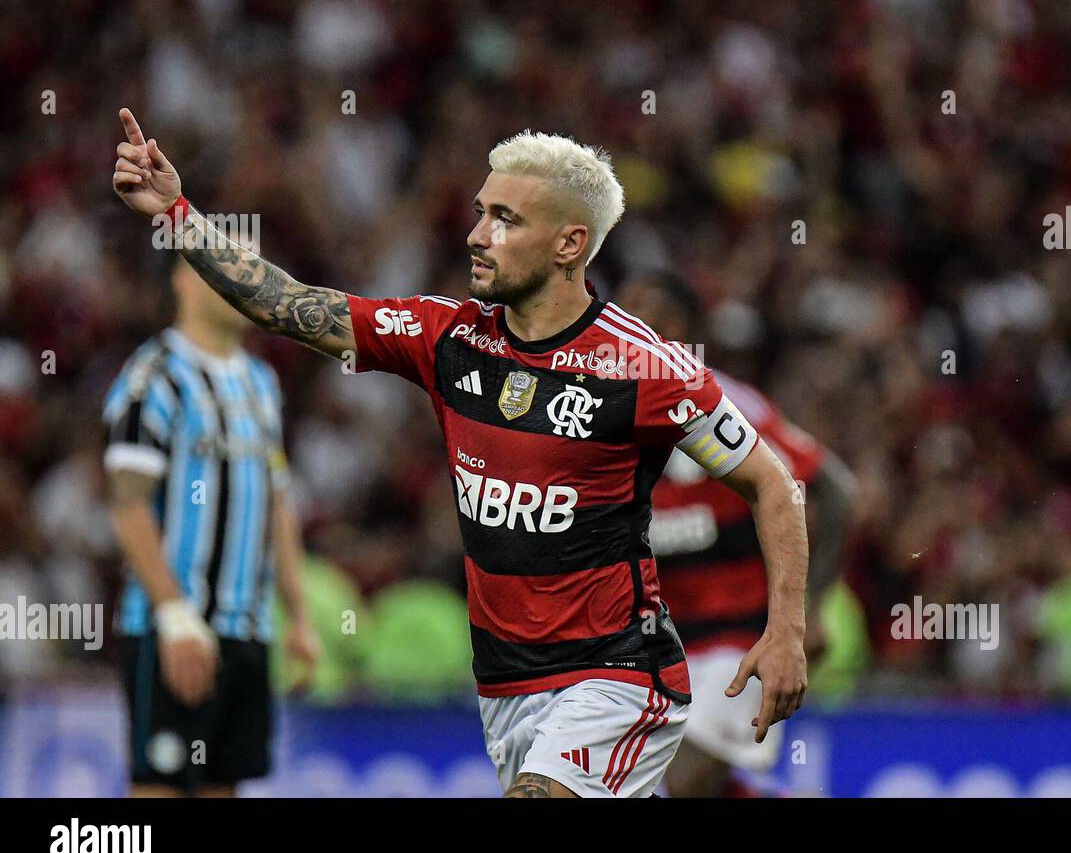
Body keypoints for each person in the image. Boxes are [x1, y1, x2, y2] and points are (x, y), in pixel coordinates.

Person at [111, 108, 810, 798]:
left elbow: (774, 484)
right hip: (507, 684)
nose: (478, 235)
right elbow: (288, 304)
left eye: (506, 220)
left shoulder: (646, 370)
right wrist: (177, 212)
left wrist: (787, 631)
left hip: (618, 675)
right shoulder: (446, 338)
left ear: (570, 245)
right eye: (480, 212)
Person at [619, 272, 858, 797]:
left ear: (678, 331)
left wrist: (805, 615)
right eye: (622, 311)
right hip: (663, 652)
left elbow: (834, 490)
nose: (624, 326)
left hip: (744, 642)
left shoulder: (720, 401)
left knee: (673, 787)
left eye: (644, 313)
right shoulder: (604, 416)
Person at [104, 256, 319, 797]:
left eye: (249, 272)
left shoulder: (261, 383)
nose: (243, 284)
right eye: (223, 270)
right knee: (160, 788)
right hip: (176, 628)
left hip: (245, 627)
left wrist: (299, 616)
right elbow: (128, 504)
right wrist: (174, 615)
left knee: (224, 786)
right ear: (183, 278)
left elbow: (276, 503)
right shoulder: (153, 377)